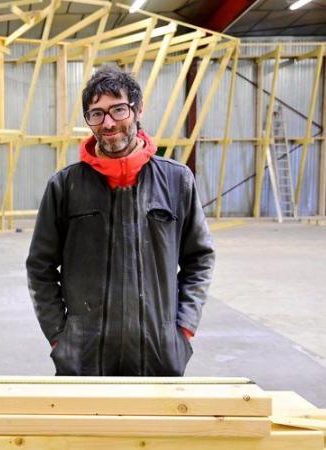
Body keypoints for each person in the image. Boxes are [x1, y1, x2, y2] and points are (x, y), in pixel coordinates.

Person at [26, 66, 215, 377]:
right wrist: (61, 337)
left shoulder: (177, 181)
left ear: (138, 109)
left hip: (159, 354)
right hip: (83, 359)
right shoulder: (65, 187)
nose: (108, 122)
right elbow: (39, 267)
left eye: (118, 109)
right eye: (96, 114)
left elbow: (200, 258)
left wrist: (183, 329)